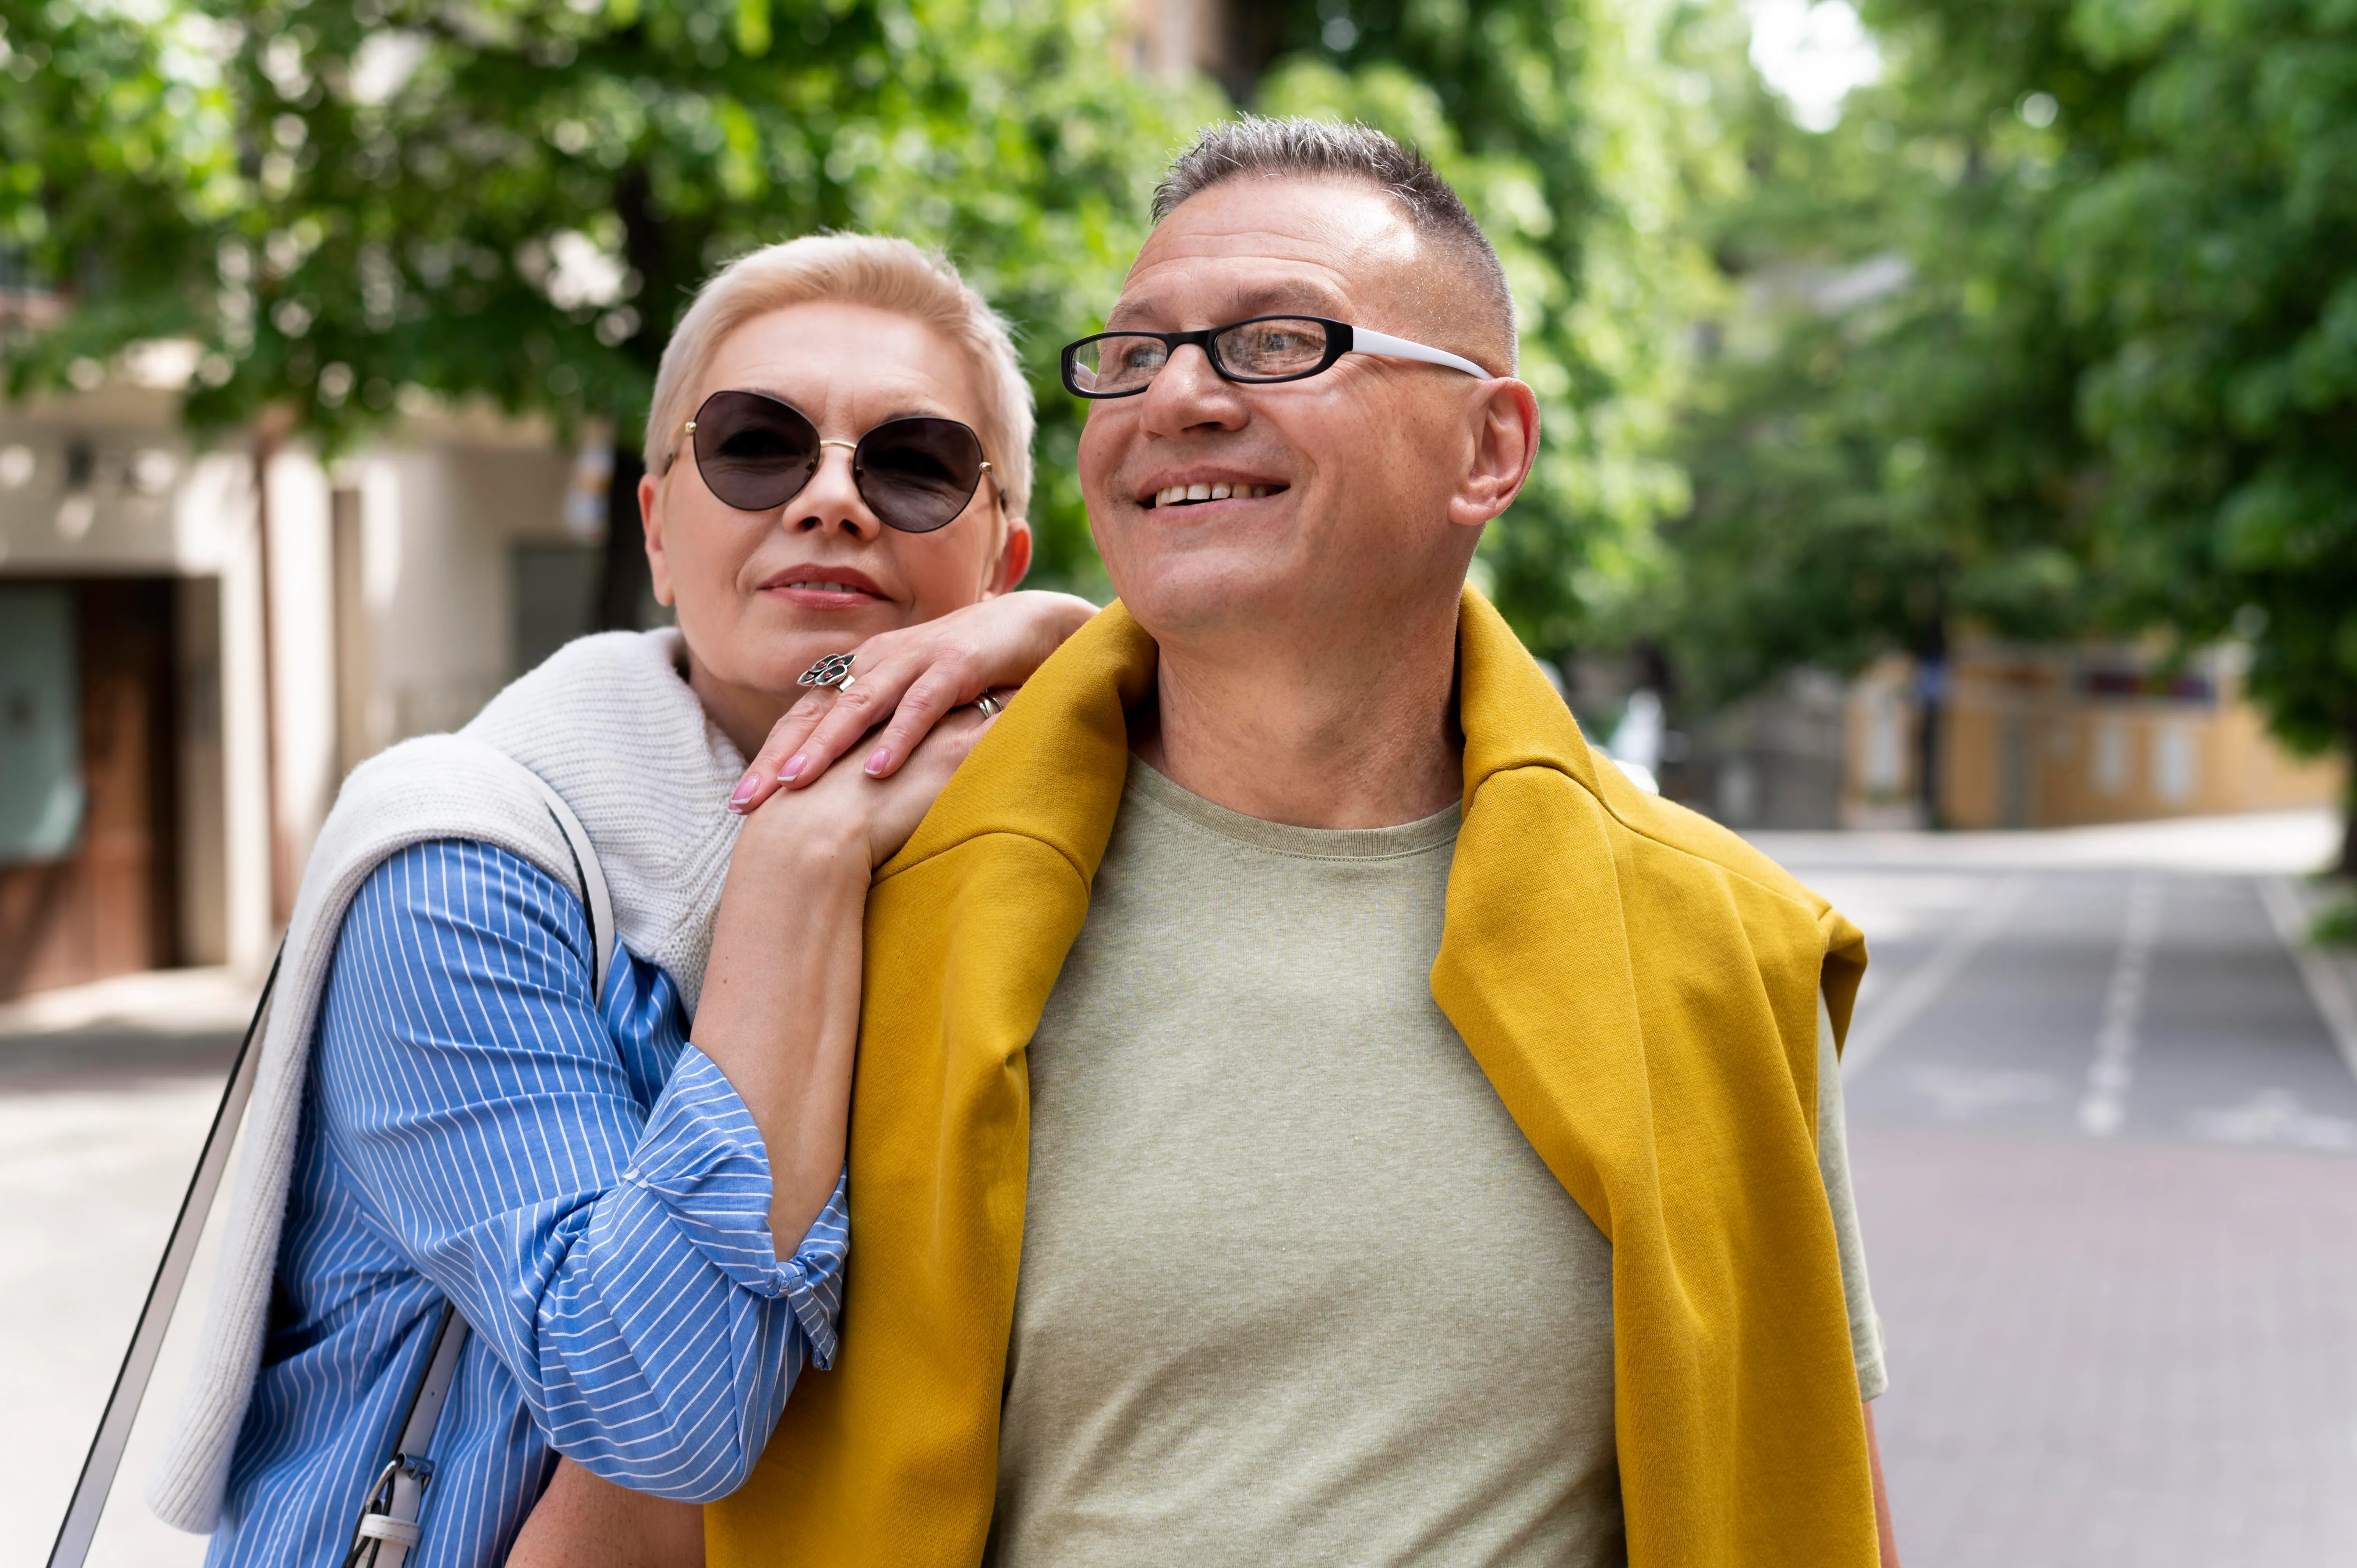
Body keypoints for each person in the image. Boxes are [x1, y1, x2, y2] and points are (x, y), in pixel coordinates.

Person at [572, 119, 1902, 1567]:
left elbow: (1814, 1490)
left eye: (1277, 343)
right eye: (1135, 354)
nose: (1180, 397)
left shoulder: (1719, 948)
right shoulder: (888, 897)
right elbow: (644, 1500)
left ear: (1490, 447)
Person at [142, 233, 1097, 1567]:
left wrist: (1088, 648)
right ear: (658, 530)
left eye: (915, 466)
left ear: (1002, 563)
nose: (833, 501)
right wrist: (799, 854)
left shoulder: (1062, 852)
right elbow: (664, 1408)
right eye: (756, 447)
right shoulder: (457, 866)